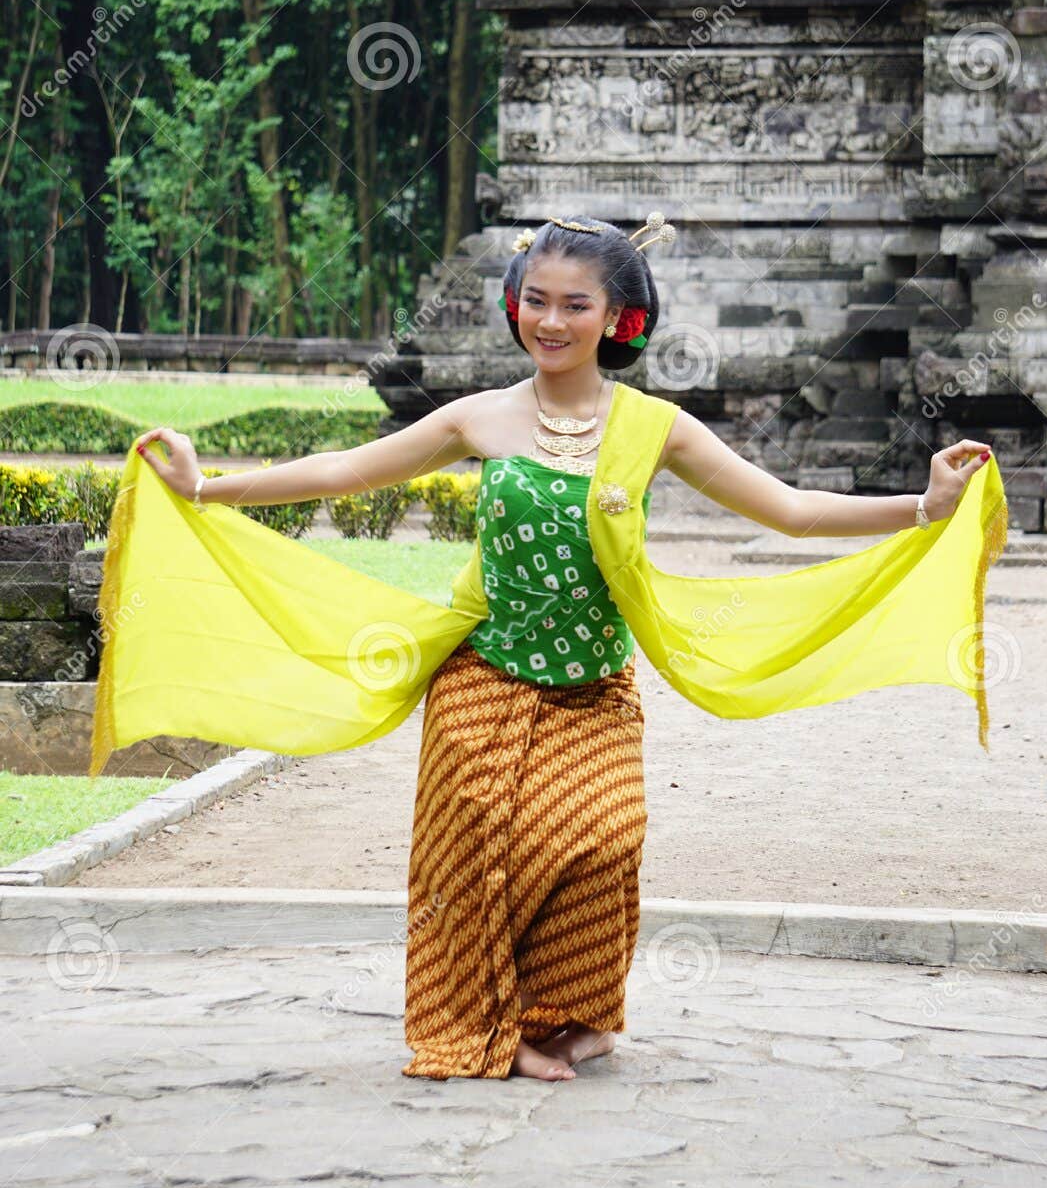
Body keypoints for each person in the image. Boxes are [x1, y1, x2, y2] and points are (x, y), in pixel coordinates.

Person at [126, 213, 998, 1085]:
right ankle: (489, 1030)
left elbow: (789, 509)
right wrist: (206, 488)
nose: (549, 321)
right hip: (483, 672)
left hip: (593, 687)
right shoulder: (479, 418)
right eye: (534, 301)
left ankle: (572, 1020)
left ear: (617, 318)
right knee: (473, 853)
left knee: (599, 842)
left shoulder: (655, 428)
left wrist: (922, 507)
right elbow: (344, 470)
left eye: (573, 305)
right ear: (514, 306)